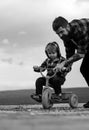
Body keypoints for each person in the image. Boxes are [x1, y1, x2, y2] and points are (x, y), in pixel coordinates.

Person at [52, 16, 89, 108]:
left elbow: (80, 54)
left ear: (67, 26)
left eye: (61, 32)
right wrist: (64, 70)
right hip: (87, 46)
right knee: (85, 69)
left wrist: (63, 63)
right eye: (58, 34)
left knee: (85, 68)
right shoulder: (66, 38)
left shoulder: (80, 29)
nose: (60, 35)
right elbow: (70, 56)